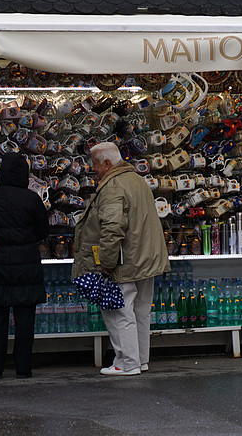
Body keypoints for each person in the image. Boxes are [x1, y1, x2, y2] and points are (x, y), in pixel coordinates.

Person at [73, 142, 169, 376]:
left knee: (119, 311)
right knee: (140, 311)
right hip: (145, 258)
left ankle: (127, 362)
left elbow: (113, 228)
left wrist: (106, 262)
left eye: (95, 164)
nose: (92, 169)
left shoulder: (113, 186)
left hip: (125, 260)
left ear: (107, 163)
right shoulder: (136, 180)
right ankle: (140, 359)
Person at [0, 152, 49, 379]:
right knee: (25, 323)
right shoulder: (32, 199)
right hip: (27, 268)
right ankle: (24, 369)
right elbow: (43, 232)